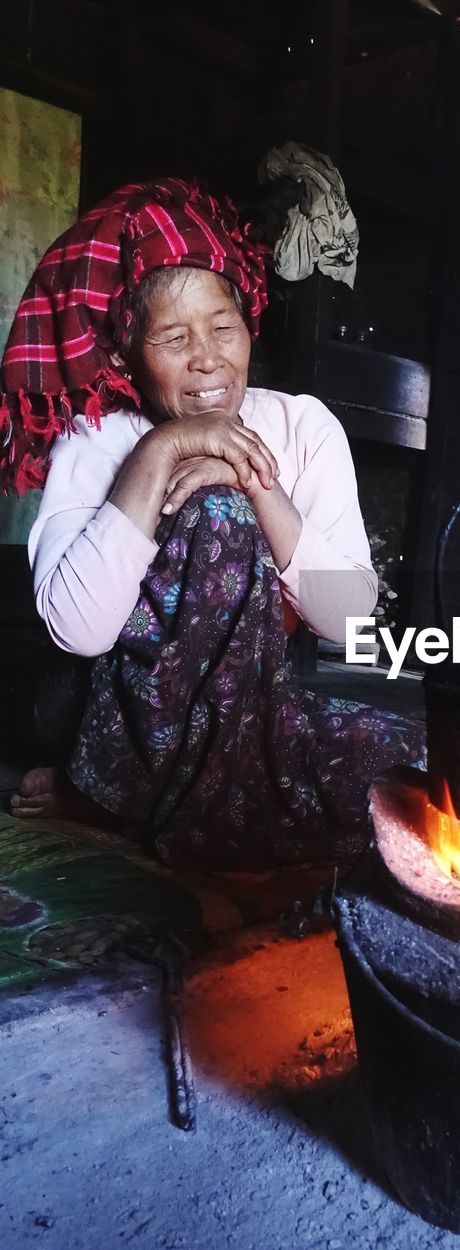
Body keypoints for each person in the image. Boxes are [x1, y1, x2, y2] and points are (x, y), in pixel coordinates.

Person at [0, 178, 424, 872]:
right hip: (99, 719)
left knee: (415, 772)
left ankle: (146, 808)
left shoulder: (301, 424)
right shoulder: (99, 435)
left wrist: (255, 483)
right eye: (172, 338)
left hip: (250, 718)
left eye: (222, 327)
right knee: (212, 512)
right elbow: (79, 630)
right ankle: (109, 790)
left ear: (247, 324)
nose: (206, 356)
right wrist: (161, 449)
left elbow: (346, 622)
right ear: (124, 354)